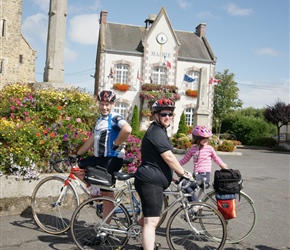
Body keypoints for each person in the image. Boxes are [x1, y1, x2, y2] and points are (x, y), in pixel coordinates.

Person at [134, 98, 192, 250]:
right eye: (164, 114)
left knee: (149, 219)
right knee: (151, 222)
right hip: (150, 182)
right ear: (156, 115)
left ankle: (146, 243)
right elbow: (168, 157)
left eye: (170, 114)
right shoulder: (156, 132)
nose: (168, 117)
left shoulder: (160, 131)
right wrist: (183, 173)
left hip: (154, 180)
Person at [76, 90, 132, 224]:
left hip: (111, 160)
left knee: (107, 196)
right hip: (99, 158)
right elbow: (92, 139)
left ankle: (104, 230)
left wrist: (115, 143)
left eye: (107, 104)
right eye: (102, 104)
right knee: (75, 167)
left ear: (113, 104)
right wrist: (78, 154)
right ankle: (95, 191)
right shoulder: (99, 119)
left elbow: (127, 129)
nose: (104, 107)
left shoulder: (115, 117)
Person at [179, 125, 228, 204]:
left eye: (207, 138)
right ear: (197, 139)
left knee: (185, 185)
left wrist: (221, 164)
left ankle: (196, 204)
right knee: (184, 187)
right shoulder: (193, 149)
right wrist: (175, 165)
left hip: (204, 176)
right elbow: (185, 159)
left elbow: (216, 158)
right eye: (203, 138)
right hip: (196, 175)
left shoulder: (209, 148)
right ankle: (193, 209)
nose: (205, 140)